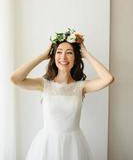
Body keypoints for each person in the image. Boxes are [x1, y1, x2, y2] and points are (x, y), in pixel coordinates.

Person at [10, 28, 114, 160]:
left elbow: (108, 79)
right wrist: (42, 56)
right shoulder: (44, 84)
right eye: (59, 52)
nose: (63, 57)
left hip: (74, 146)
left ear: (76, 58)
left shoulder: (81, 86)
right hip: (47, 145)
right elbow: (14, 79)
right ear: (53, 57)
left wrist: (86, 53)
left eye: (69, 52)